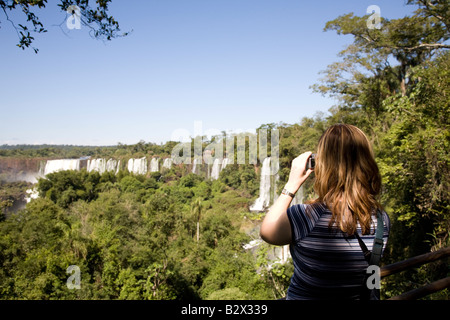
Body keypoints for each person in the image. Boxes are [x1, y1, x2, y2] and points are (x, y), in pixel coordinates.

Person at [260, 123, 390, 300]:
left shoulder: (307, 216)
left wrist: (291, 185)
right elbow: (370, 272)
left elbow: (267, 232)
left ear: (322, 166)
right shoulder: (381, 219)